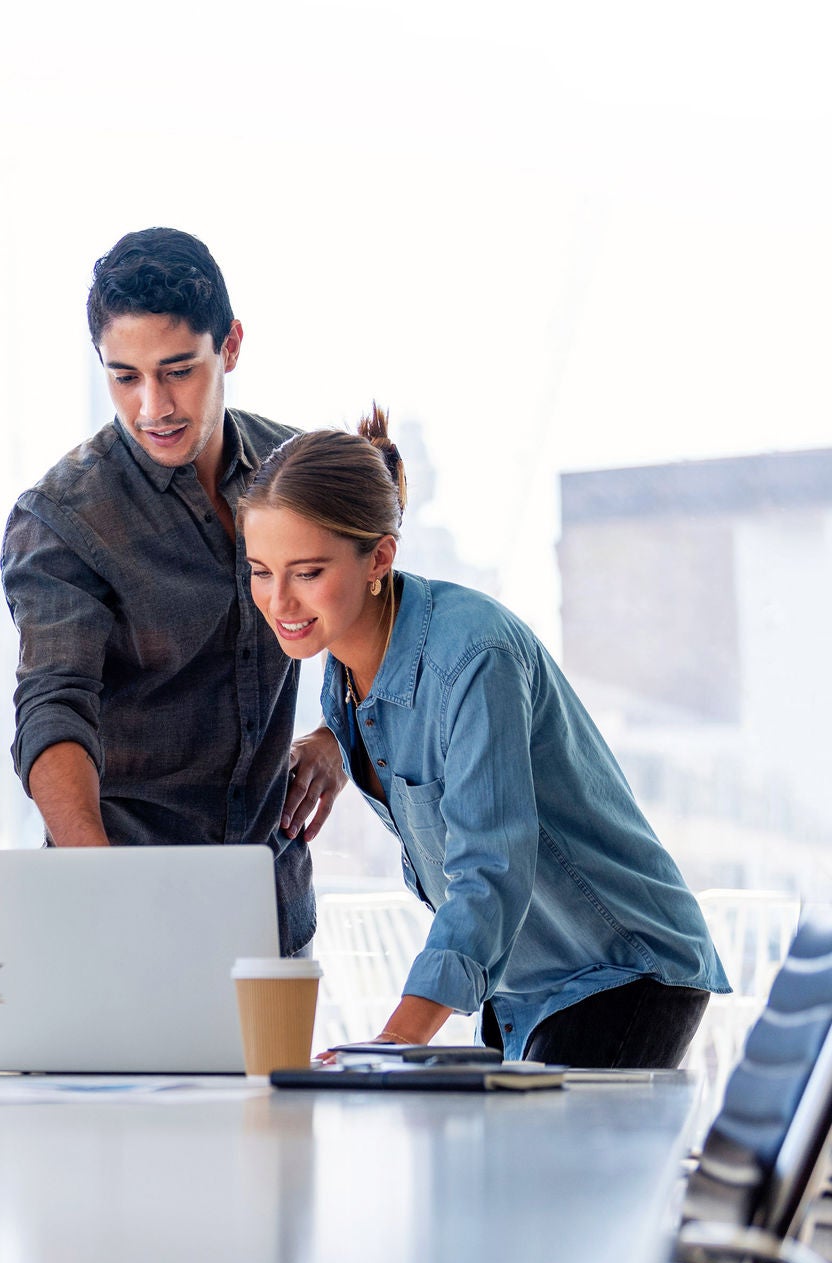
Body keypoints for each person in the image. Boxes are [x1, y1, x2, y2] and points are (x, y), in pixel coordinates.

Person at [238, 407, 729, 1065]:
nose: (279, 601)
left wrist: (397, 1038)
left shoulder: (475, 655)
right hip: (523, 986)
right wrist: (333, 737)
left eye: (306, 571)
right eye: (261, 570)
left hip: (619, 968)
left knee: (544, 1169)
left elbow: (489, 867)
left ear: (380, 555)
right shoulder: (344, 665)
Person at [1, 228, 345, 955]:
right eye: (124, 376)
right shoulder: (64, 517)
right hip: (119, 910)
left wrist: (336, 733)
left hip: (272, 911)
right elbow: (53, 706)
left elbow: (376, 615)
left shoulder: (302, 475)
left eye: (178, 369)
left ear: (232, 345)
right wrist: (105, 888)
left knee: (280, 1077)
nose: (152, 405)